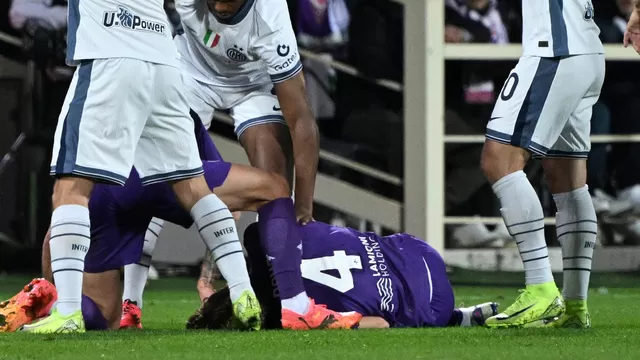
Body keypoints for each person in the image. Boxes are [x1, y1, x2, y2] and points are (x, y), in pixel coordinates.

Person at [0, 119, 360, 333]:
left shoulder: (99, 70)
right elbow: (215, 197)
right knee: (273, 188)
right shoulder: (170, 62)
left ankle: (45, 298)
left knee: (102, 315)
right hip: (161, 171)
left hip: (105, 187)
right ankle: (296, 307)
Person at [121, 0, 321, 329]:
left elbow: (301, 121)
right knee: (156, 173)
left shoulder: (271, 22)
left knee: (274, 188)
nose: (218, 5)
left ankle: (291, 304)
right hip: (189, 74)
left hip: (252, 87)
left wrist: (304, 206)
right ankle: (131, 304)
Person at [480, 0, 604, 328]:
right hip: (587, 49)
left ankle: (541, 287)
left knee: (499, 159)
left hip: (554, 49)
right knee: (567, 176)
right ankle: (575, 305)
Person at [186, 221, 499, 330]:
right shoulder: (260, 236)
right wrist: (206, 280)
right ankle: (461, 318)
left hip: (433, 304)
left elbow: (380, 324)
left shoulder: (285, 317)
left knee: (393, 313)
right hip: (418, 249)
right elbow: (220, 225)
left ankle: (454, 318)